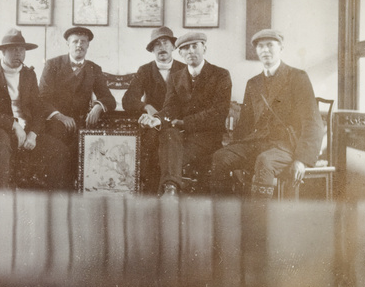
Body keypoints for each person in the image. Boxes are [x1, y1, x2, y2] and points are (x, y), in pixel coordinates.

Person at [211, 29, 324, 199]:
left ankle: (259, 220)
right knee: (221, 157)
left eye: (270, 45)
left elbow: (312, 122)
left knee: (264, 161)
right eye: (260, 47)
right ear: (256, 51)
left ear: (281, 48)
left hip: (286, 146)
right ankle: (225, 212)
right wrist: (236, 152)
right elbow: (245, 123)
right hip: (256, 142)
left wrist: (302, 160)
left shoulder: (297, 77)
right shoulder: (253, 83)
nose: (265, 50)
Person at [139, 32, 232, 196]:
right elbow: (170, 108)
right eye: (185, 48)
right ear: (180, 53)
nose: (190, 51)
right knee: (167, 135)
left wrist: (182, 123)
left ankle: (168, 191)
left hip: (207, 137)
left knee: (163, 154)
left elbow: (217, 113)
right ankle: (170, 189)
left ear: (204, 48)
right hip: (182, 137)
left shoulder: (220, 75)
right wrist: (157, 119)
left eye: (195, 46)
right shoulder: (175, 78)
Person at [0, 28, 70, 190]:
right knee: (2, 150)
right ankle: (4, 199)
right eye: (13, 50)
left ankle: (53, 202)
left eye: (22, 50)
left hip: (28, 129)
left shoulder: (28, 74)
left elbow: (38, 109)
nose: (18, 54)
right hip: (3, 129)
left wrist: (33, 134)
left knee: (60, 150)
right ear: (3, 52)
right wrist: (14, 126)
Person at [39, 26, 116, 186]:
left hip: (81, 124)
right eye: (75, 41)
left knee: (86, 150)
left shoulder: (94, 68)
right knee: (60, 153)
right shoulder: (53, 65)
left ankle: (79, 192)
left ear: (88, 45)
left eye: (83, 42)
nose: (79, 45)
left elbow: (108, 98)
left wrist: (98, 106)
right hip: (55, 123)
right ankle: (59, 192)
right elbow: (42, 98)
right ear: (68, 44)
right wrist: (59, 116)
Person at [122, 26, 185, 193]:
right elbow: (128, 100)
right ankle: (149, 194)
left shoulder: (184, 70)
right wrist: (145, 106)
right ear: (152, 50)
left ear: (173, 47)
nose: (161, 47)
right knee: (149, 144)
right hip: (152, 127)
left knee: (170, 138)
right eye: (156, 44)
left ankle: (170, 190)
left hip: (176, 125)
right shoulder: (145, 70)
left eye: (165, 43)